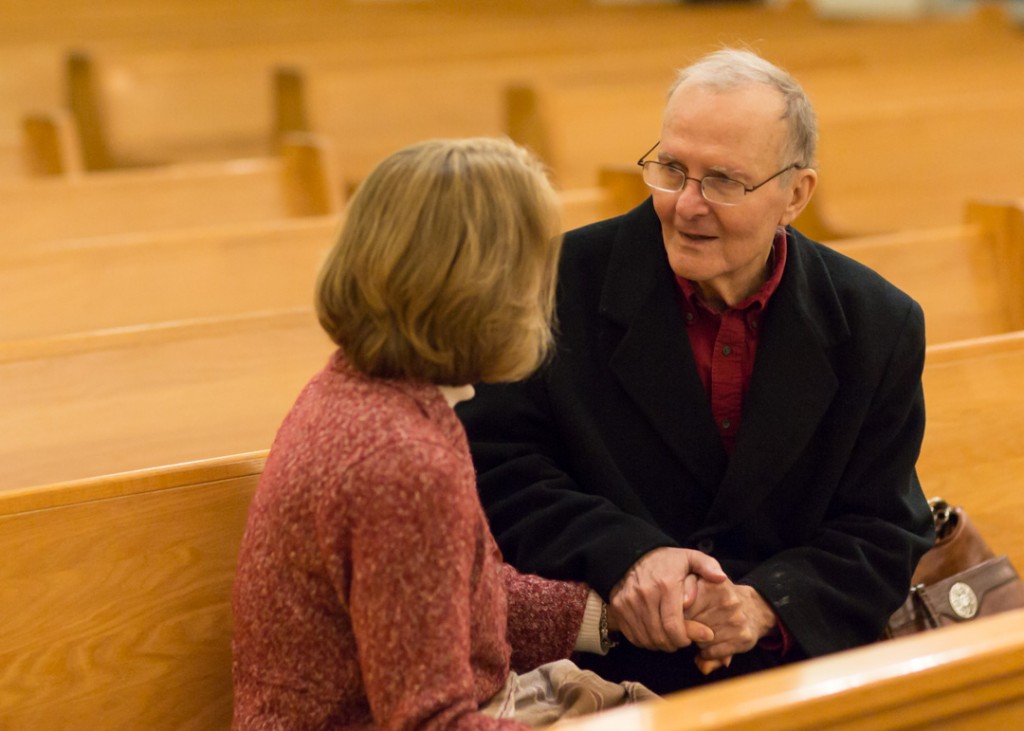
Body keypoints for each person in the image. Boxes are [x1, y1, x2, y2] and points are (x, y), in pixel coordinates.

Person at [455, 49, 936, 694]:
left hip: (796, 678)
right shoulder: (555, 283)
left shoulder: (879, 323)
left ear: (796, 194)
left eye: (724, 181)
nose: (686, 205)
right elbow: (495, 466)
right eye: (672, 169)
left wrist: (763, 604)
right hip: (598, 675)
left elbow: (883, 528)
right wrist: (629, 557)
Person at [231, 137, 662, 729]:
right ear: (486, 288)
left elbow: (450, 596)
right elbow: (429, 722)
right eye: (534, 268)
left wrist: (603, 615)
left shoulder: (374, 390)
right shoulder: (398, 461)